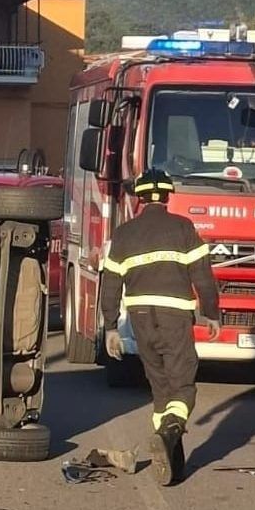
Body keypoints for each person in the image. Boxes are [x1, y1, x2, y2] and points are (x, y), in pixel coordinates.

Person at [97, 170, 222, 486]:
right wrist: (211, 314)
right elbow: (203, 277)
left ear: (139, 198)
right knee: (183, 383)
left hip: (140, 317)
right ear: (167, 196)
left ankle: (172, 461)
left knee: (160, 385)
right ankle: (168, 431)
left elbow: (110, 284)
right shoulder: (183, 228)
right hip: (175, 316)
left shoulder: (124, 234)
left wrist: (110, 327)